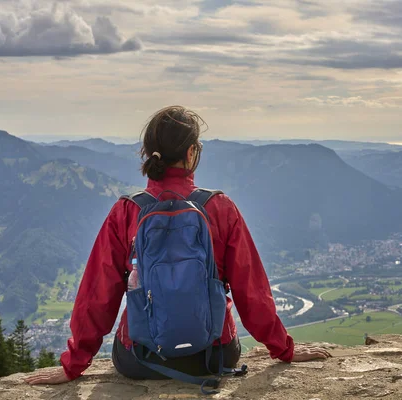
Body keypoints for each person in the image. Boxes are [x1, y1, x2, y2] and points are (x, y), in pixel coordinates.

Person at [24, 106, 331, 386]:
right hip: (213, 355)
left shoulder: (127, 211)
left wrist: (73, 364)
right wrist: (284, 349)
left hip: (139, 358)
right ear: (192, 153)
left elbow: (97, 295)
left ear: (147, 153)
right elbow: (251, 291)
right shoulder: (220, 208)